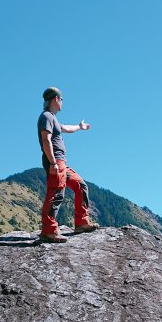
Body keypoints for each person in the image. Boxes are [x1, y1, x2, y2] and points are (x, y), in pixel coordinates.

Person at [37, 86, 98, 243]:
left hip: (61, 163)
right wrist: (52, 163)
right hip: (55, 162)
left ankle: (81, 223)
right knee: (56, 193)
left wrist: (79, 127)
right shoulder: (46, 117)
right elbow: (46, 140)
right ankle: (48, 231)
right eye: (62, 99)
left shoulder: (52, 118)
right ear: (56, 99)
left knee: (81, 186)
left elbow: (65, 128)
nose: (63, 102)